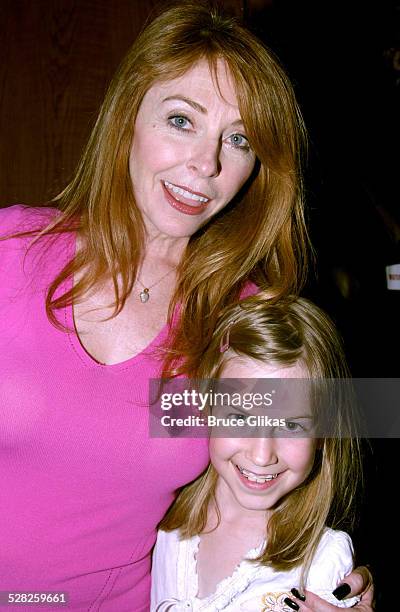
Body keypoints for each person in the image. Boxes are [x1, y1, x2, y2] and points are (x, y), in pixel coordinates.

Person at [0, 2, 372, 610]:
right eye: (181, 120)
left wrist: (330, 584)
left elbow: (313, 446)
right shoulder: (10, 253)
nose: (206, 164)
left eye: (240, 139)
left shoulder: (239, 322)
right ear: (128, 120)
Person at [151, 296, 365, 611]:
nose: (262, 455)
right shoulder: (163, 518)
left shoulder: (323, 562)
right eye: (240, 419)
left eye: (291, 426)